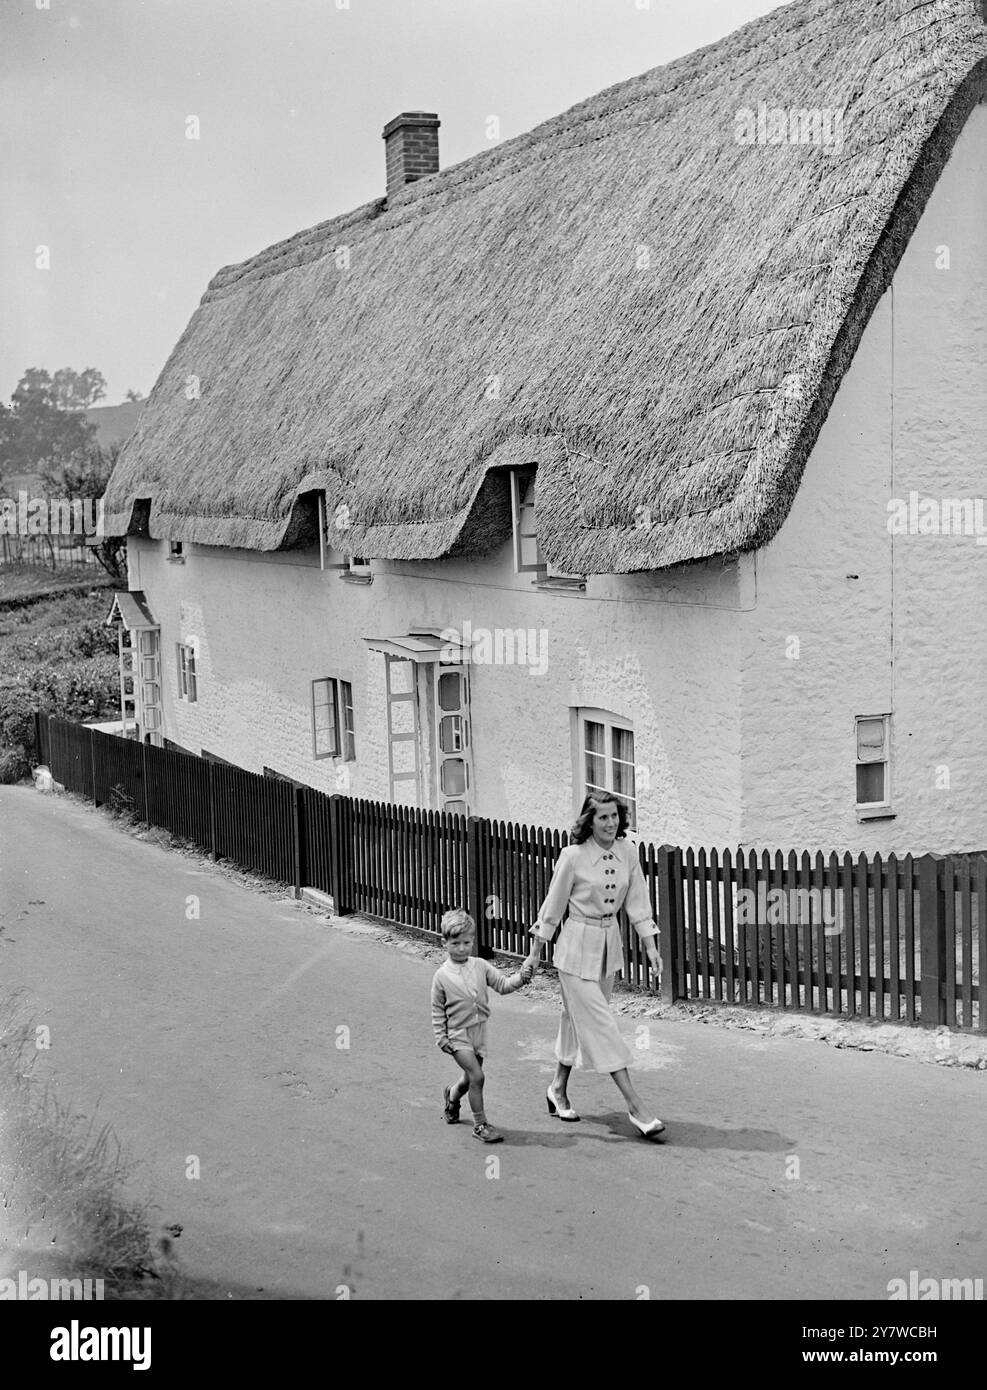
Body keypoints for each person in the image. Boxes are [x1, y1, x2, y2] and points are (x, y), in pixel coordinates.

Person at [525, 792, 666, 1140]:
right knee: (601, 1025)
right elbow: (552, 907)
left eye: (615, 816)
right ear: (589, 821)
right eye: (602, 817)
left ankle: (557, 1088)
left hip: (608, 947)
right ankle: (636, 1107)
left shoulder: (628, 852)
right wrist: (534, 952)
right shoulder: (572, 856)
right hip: (574, 949)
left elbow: (638, 902)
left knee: (577, 1021)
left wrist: (651, 948)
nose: (610, 823)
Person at [431, 908, 535, 1143]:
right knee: (478, 1076)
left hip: (479, 1033)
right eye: (455, 943)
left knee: (469, 1079)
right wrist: (441, 1036)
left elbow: (503, 985)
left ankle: (452, 1097)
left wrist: (521, 978)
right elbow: (437, 1009)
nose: (461, 948)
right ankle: (480, 1125)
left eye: (467, 942)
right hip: (457, 1035)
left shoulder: (480, 966)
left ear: (473, 941)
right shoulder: (441, 976)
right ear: (444, 942)